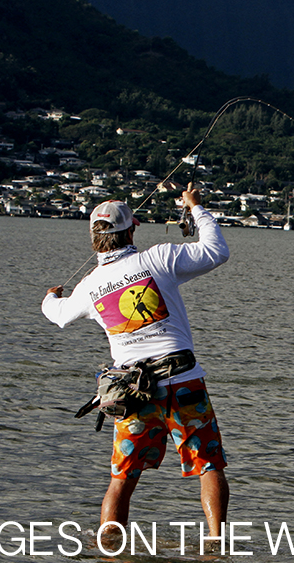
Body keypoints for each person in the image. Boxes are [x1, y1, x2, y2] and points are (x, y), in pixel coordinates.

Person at [41, 184, 230, 538]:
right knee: (209, 467)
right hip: (182, 382)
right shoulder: (159, 258)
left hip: (131, 394)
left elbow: (59, 315)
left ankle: (110, 556)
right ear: (131, 229)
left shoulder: (89, 286)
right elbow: (216, 251)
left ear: (95, 237)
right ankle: (216, 547)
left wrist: (50, 297)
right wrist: (196, 208)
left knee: (121, 480)